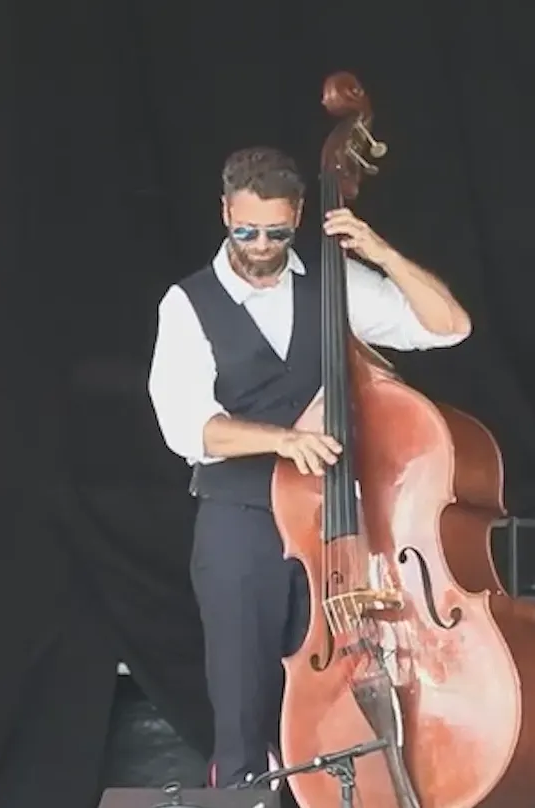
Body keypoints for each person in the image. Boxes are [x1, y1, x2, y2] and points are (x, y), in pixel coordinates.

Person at [148, 146, 471, 786]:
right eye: (246, 231)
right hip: (240, 521)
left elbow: (448, 326)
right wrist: (283, 439)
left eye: (276, 232)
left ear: (298, 215)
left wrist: (381, 253)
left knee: (343, 689)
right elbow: (187, 426)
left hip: (335, 527)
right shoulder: (188, 303)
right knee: (242, 701)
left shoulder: (332, 281)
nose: (261, 246)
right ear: (225, 213)